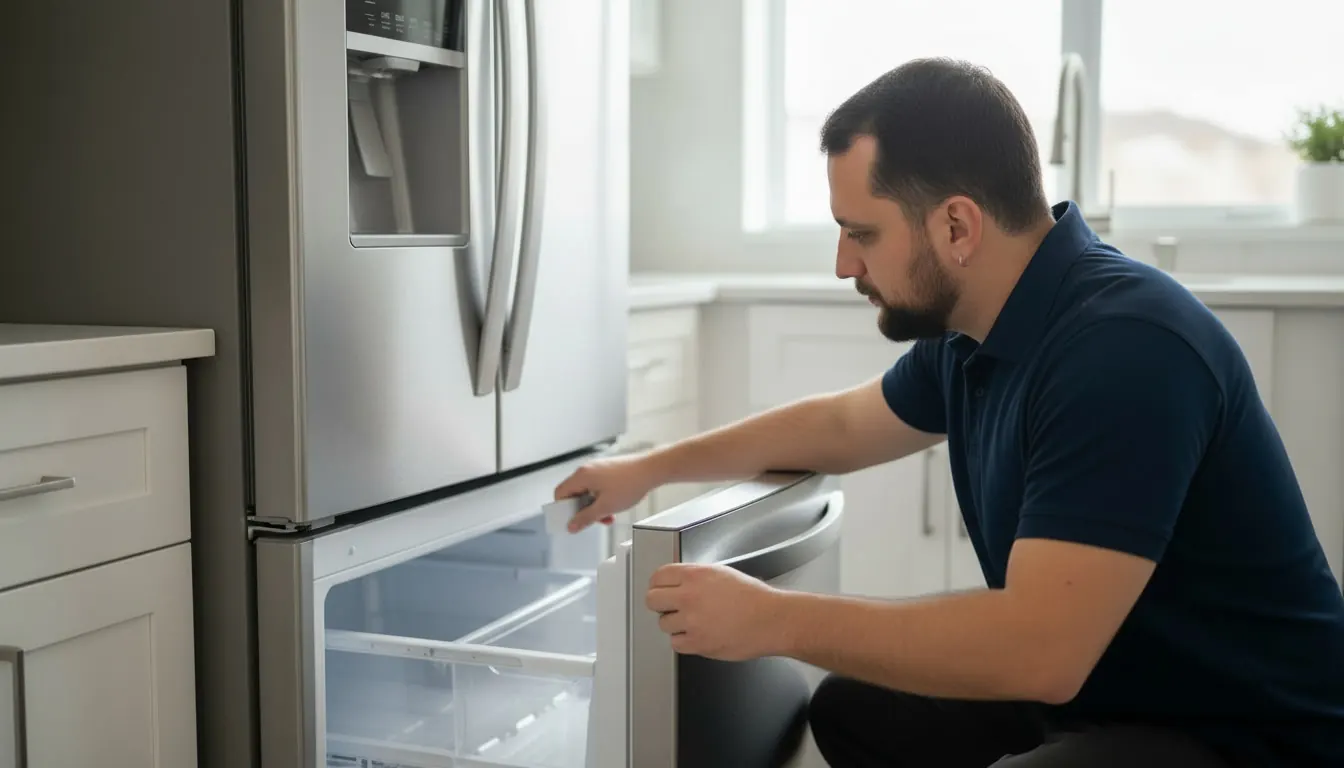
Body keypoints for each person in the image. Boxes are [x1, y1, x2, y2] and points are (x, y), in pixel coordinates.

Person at [553, 58, 1344, 767]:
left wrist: (773, 621)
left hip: (1245, 736)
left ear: (957, 226)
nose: (843, 265)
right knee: (854, 715)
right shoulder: (981, 328)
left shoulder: (1124, 348)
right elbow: (837, 426)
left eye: (861, 233)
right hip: (1112, 687)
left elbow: (1040, 652)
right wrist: (646, 468)